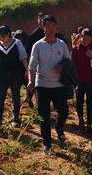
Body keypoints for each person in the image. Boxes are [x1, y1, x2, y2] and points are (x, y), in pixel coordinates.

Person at [28, 15, 71, 153]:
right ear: (43, 27)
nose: (51, 29)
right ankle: (47, 143)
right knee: (43, 116)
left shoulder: (61, 44)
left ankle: (59, 127)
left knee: (64, 112)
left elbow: (68, 61)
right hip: (42, 85)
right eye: (48, 26)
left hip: (59, 85)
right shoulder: (38, 45)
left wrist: (61, 65)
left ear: (56, 27)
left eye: (53, 26)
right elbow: (32, 65)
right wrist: (30, 80)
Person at [0, 25, 28, 128]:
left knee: (15, 96)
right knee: (0, 97)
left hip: (15, 74)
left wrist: (26, 70)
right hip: (2, 75)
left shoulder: (17, 43)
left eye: (1, 36)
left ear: (7, 34)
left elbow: (23, 57)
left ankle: (16, 118)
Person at [72, 28, 92, 136]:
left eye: (88, 38)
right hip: (80, 81)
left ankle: (89, 125)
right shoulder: (76, 49)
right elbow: (73, 65)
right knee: (79, 102)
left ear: (90, 38)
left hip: (91, 80)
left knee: (89, 103)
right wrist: (74, 81)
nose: (85, 40)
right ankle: (81, 122)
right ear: (81, 37)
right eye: (83, 37)